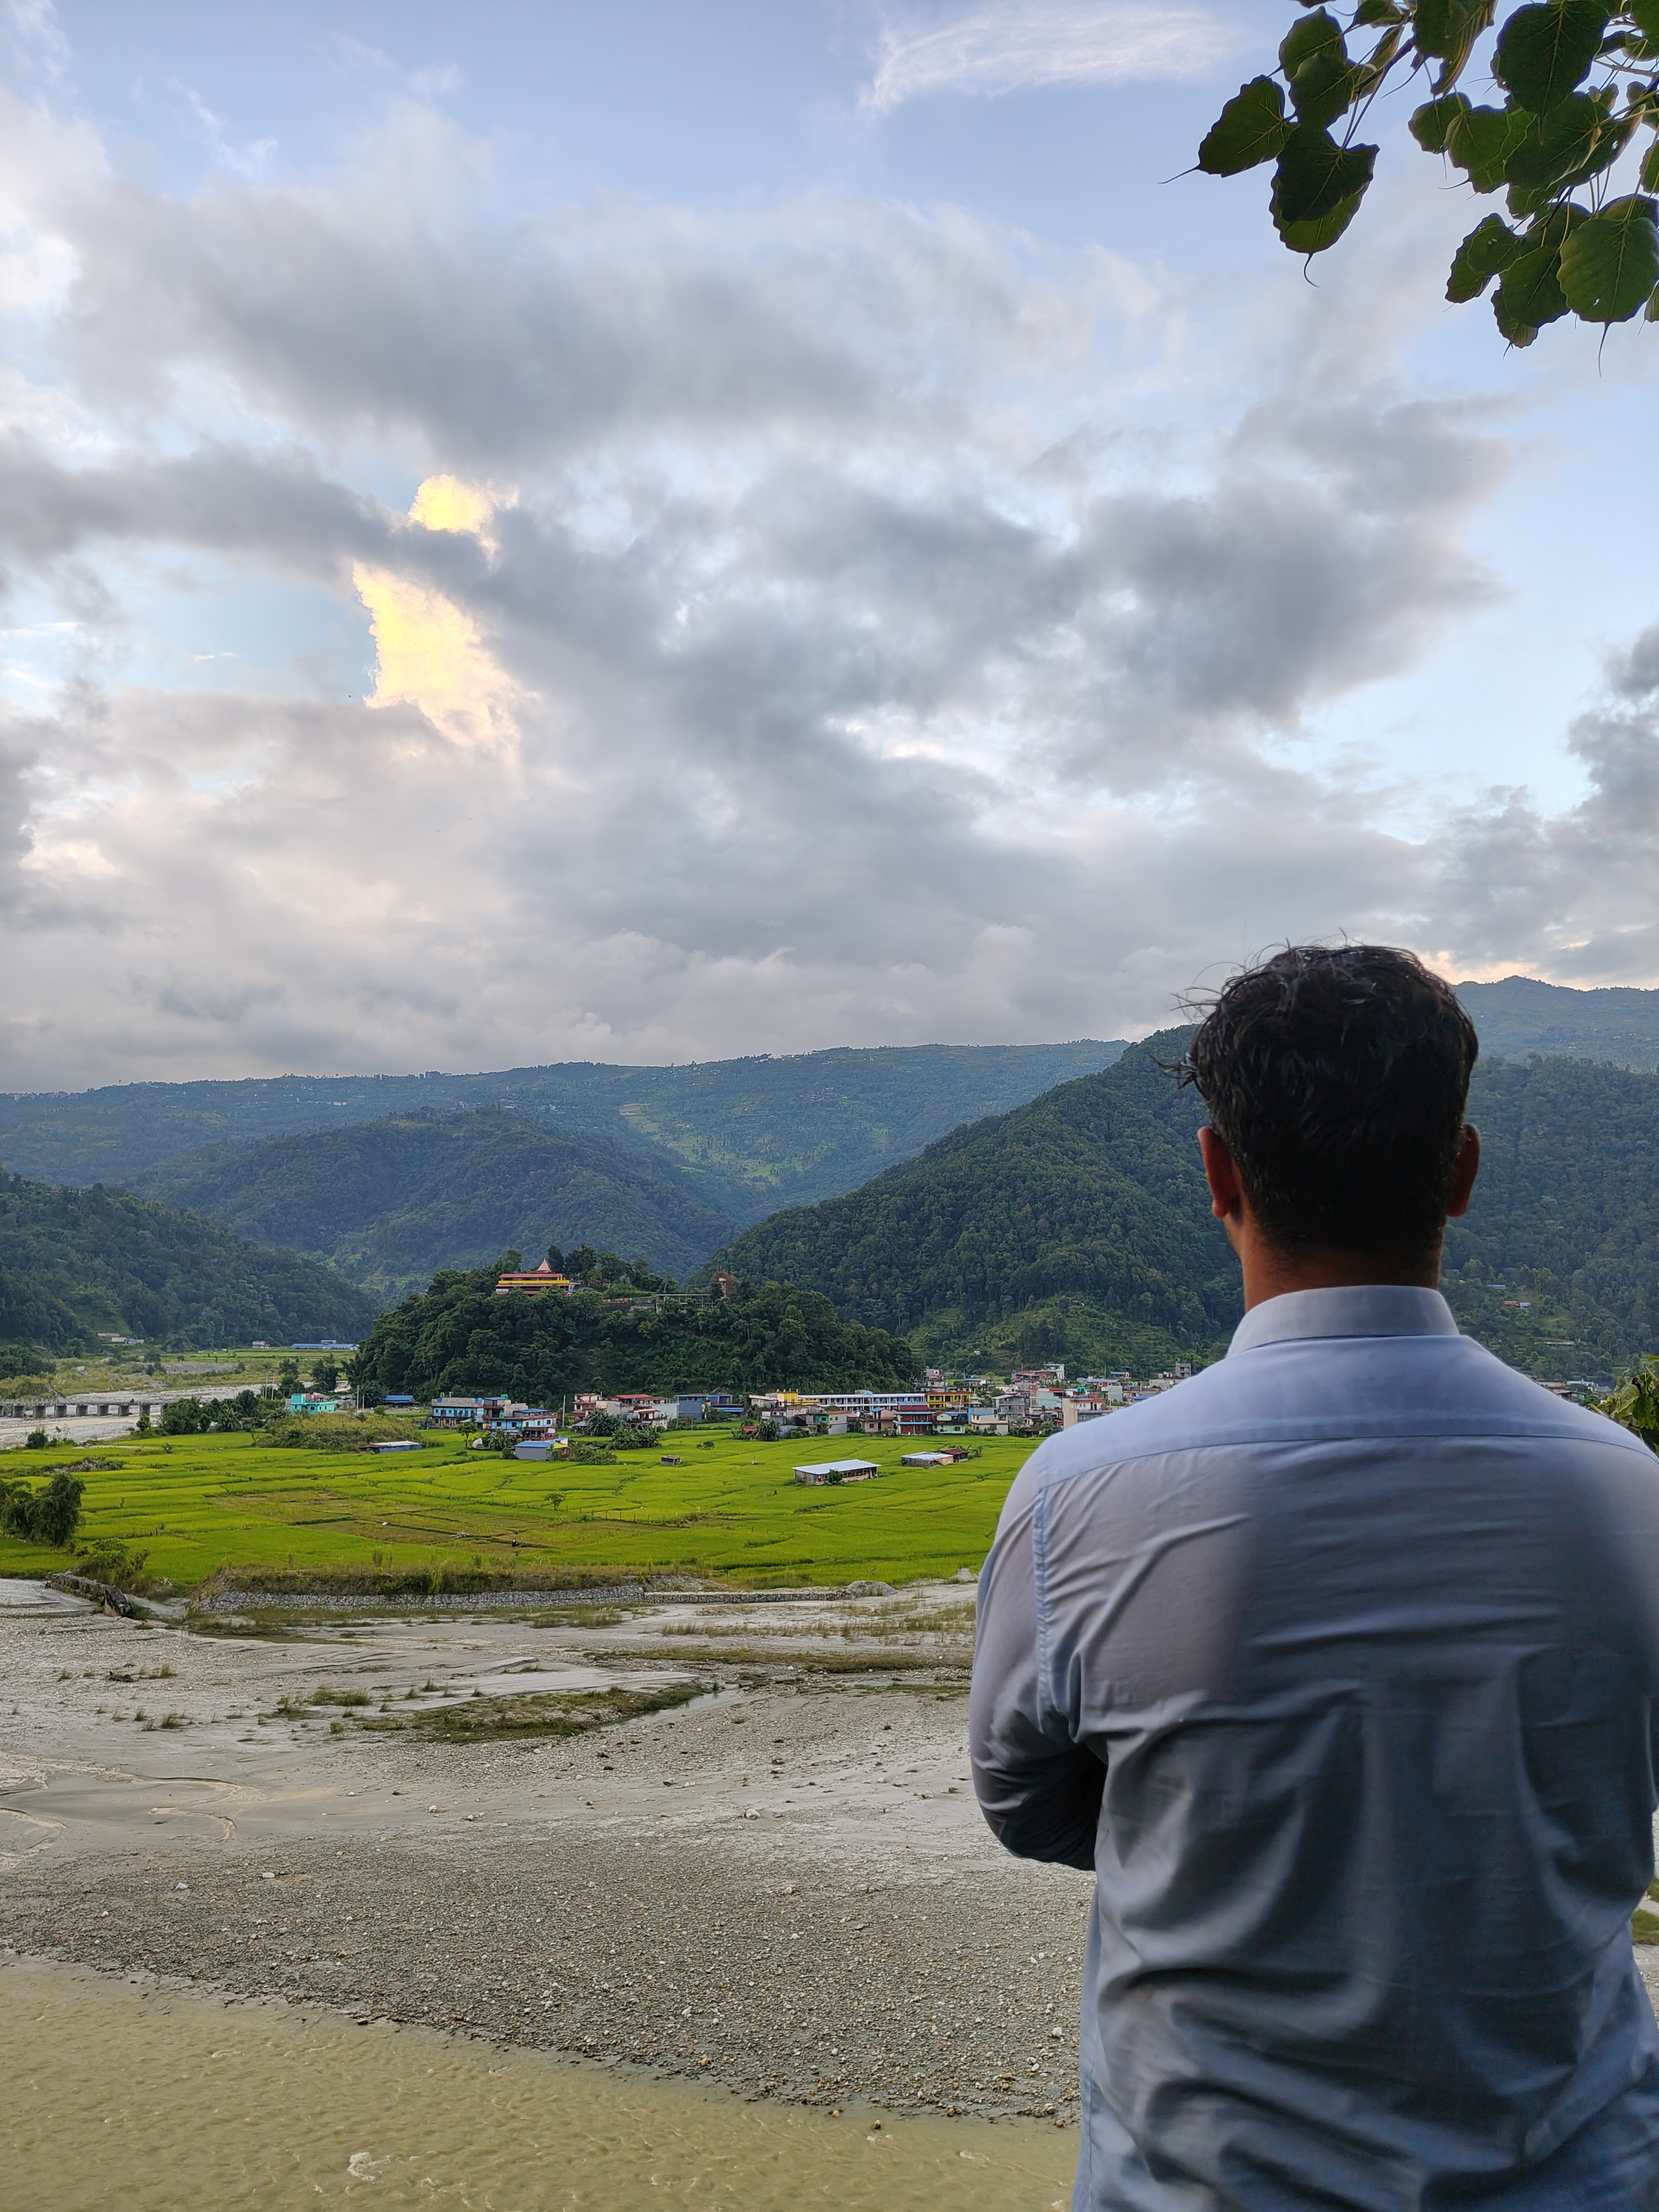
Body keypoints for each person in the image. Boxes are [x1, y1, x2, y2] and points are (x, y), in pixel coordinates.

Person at [970, 945, 1659, 2210]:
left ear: (1218, 1171)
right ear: (1461, 1170)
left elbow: (1027, 1804)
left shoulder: (1077, 1495)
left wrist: (1215, 1827)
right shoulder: (1631, 1493)